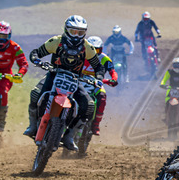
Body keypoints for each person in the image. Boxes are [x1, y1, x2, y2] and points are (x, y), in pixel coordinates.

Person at [24, 15, 113, 151]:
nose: (76, 36)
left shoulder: (87, 47)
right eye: (73, 31)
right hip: (54, 75)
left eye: (80, 33)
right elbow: (37, 52)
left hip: (75, 80)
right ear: (66, 30)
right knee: (36, 93)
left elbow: (98, 67)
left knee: (89, 106)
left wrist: (99, 78)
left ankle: (69, 135)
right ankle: (32, 125)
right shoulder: (56, 41)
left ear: (85, 33)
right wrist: (37, 60)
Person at [85, 36, 118, 135]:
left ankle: (96, 124)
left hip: (96, 83)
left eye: (97, 50)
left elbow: (113, 71)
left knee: (102, 98)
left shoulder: (104, 58)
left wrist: (113, 79)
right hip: (79, 80)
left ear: (101, 49)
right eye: (92, 49)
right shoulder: (81, 55)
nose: (94, 53)